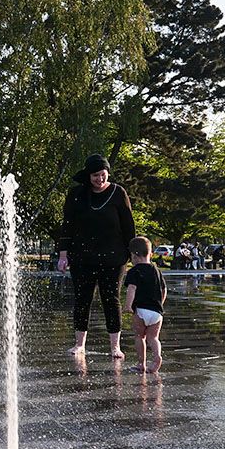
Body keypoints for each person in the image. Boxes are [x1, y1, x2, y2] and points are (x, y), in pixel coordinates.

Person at [57, 154, 135, 359]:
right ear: (88, 176)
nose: (99, 179)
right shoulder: (76, 194)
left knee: (111, 300)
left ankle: (115, 346)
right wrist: (63, 254)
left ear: (108, 173)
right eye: (95, 176)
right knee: (83, 299)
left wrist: (134, 254)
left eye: (102, 175)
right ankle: (79, 344)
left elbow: (129, 226)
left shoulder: (118, 193)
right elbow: (67, 225)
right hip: (82, 256)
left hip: (114, 257)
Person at [124, 237, 167, 373]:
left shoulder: (134, 271)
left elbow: (132, 289)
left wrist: (128, 306)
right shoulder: (156, 271)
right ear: (150, 254)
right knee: (153, 337)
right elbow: (164, 290)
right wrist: (160, 304)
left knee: (139, 336)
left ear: (134, 255)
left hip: (141, 310)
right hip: (156, 312)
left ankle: (141, 363)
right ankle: (156, 358)